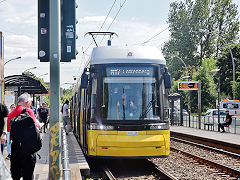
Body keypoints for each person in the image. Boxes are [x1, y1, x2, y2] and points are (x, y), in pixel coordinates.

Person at [7, 93, 40, 180]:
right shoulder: (28, 111)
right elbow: (36, 127)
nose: (30, 104)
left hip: (16, 147)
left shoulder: (10, 114)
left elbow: (9, 134)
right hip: (28, 148)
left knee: (16, 173)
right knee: (28, 174)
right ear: (27, 102)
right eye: (30, 102)